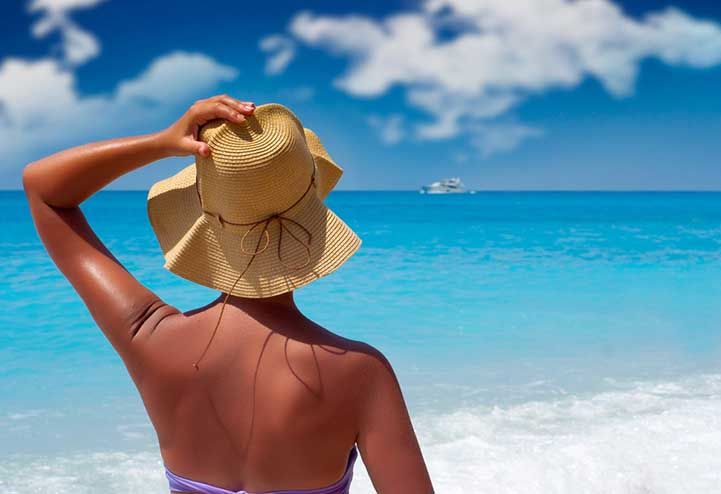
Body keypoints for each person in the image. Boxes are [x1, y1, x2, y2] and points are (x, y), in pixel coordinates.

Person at [23, 95, 434, 494]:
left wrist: (165, 141)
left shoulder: (148, 337)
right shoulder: (361, 374)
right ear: (314, 215)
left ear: (206, 217)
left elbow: (44, 190)